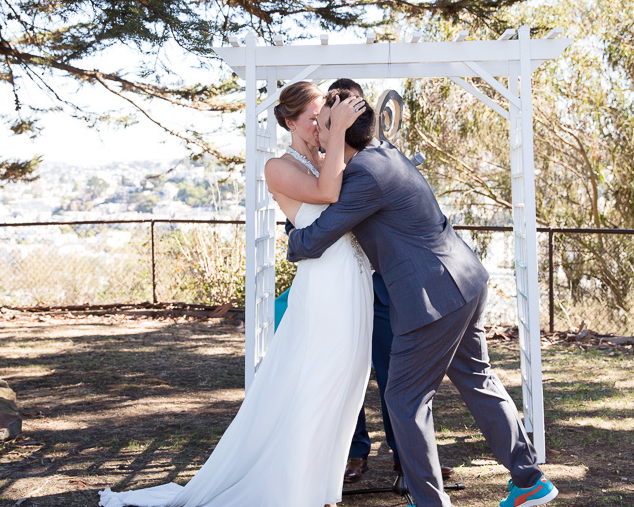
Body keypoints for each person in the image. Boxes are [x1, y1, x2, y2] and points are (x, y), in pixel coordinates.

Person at [99, 81, 374, 507]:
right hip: (324, 286)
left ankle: (321, 485)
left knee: (345, 384)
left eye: (326, 115)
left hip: (353, 279)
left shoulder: (328, 156)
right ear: (290, 120)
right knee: (314, 383)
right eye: (315, 116)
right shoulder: (278, 167)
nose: (322, 122)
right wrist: (337, 132)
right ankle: (295, 489)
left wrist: (338, 137)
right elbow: (328, 193)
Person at [287, 93, 558, 507]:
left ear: (343, 131)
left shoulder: (365, 176)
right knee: (478, 379)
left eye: (326, 125)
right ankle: (529, 480)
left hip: (432, 297)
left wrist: (292, 238)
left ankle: (429, 501)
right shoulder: (383, 153)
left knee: (404, 400)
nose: (320, 134)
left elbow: (317, 237)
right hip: (464, 280)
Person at [326, 79, 452, 485]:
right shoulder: (324, 157)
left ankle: (407, 460)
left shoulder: (380, 152)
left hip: (385, 287)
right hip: (343, 284)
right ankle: (353, 453)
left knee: (393, 373)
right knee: (346, 372)